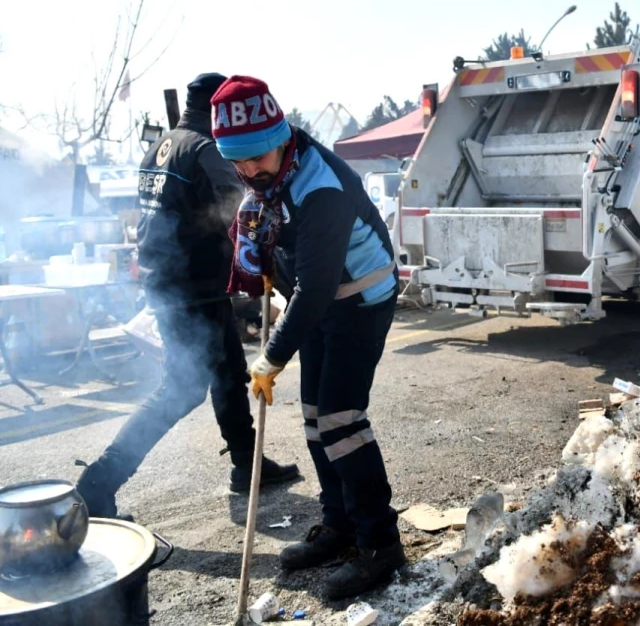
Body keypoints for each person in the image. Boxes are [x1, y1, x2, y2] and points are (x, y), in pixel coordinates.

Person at [209, 75, 402, 599]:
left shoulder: (321, 187)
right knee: (316, 421)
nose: (249, 171)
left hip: (360, 299)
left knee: (342, 420)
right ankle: (339, 525)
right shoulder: (272, 180)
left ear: (280, 137)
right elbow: (299, 268)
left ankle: (380, 545)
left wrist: (270, 358)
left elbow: (316, 291)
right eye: (239, 162)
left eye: (256, 158)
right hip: (319, 301)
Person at [77, 73, 299, 518]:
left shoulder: (159, 146)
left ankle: (246, 464)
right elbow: (236, 208)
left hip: (175, 280)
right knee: (181, 389)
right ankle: (97, 484)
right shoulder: (202, 148)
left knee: (228, 371)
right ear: (214, 111)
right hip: (190, 286)